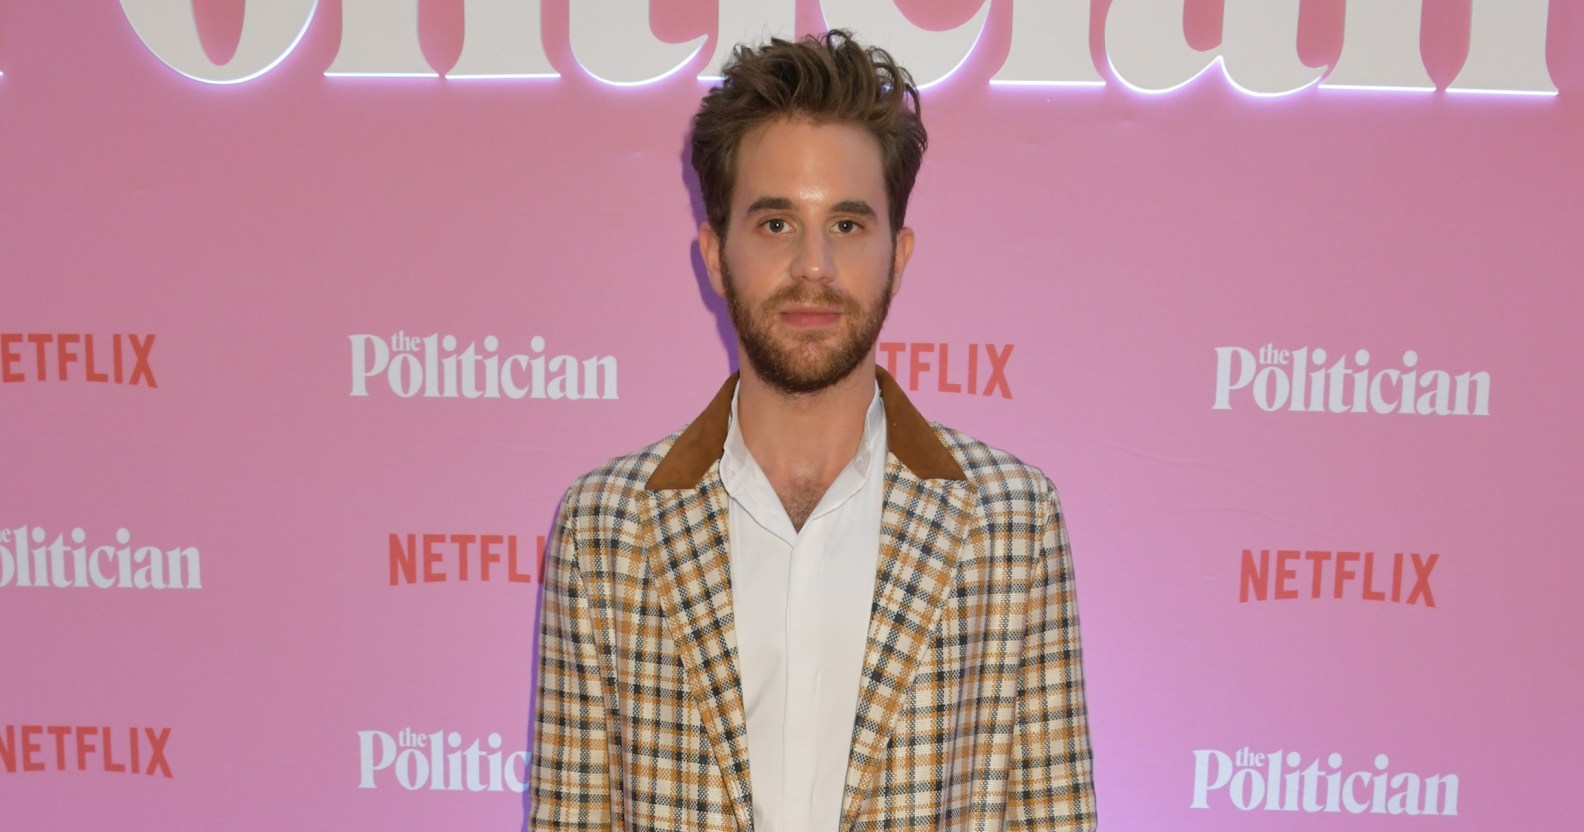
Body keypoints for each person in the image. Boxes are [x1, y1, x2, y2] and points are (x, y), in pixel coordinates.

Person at [531, 30, 1096, 832]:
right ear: (714, 255)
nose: (814, 269)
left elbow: (1054, 818)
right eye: (774, 225)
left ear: (898, 256)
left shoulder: (1011, 519)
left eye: (847, 226)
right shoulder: (605, 527)